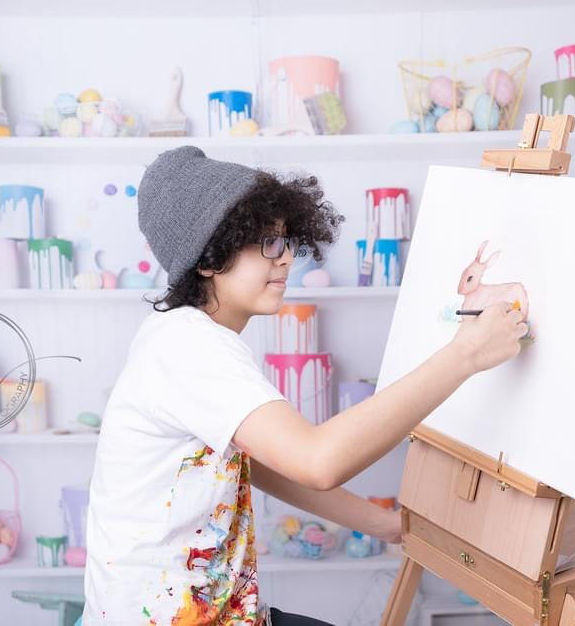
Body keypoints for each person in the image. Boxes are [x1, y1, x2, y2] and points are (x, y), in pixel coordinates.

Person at [83, 146, 527, 625]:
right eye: (267, 244)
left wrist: (385, 524)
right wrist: (466, 354)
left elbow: (262, 463)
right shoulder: (190, 346)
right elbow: (317, 461)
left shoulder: (188, 337)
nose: (287, 258)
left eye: (287, 241)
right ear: (210, 258)